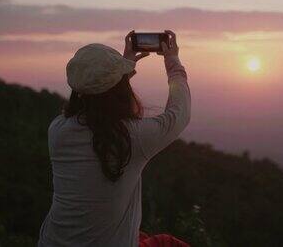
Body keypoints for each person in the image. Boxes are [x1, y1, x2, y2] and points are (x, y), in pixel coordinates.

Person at [38, 30, 191, 247]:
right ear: (120, 89)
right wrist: (172, 60)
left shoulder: (58, 131)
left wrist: (121, 68)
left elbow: (95, 97)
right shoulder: (131, 138)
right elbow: (179, 115)